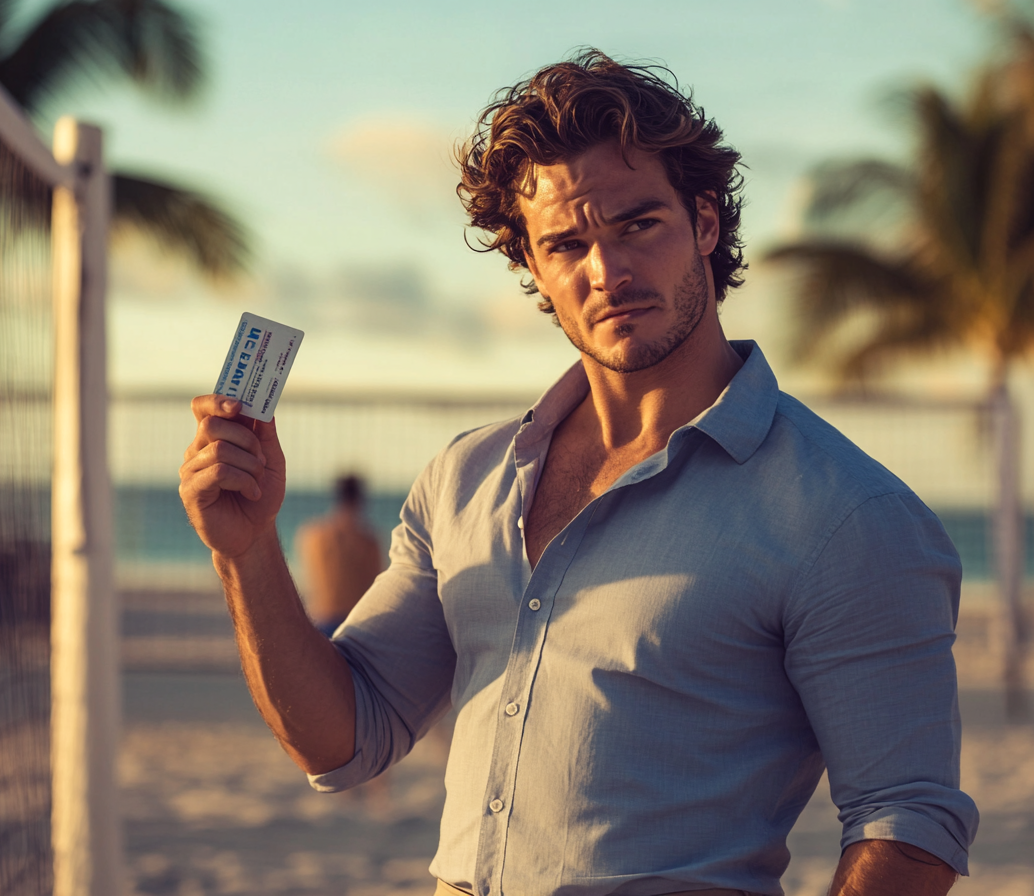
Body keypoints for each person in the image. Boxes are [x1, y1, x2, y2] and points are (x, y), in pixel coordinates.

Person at [179, 51, 977, 896]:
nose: (608, 274)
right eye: (566, 244)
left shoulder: (845, 514)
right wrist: (247, 549)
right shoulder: (466, 479)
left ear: (705, 223)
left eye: (639, 225)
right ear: (533, 268)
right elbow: (342, 740)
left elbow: (909, 823)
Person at [296, 474, 385, 637]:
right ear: (360, 498)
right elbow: (377, 587)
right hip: (357, 621)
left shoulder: (313, 535)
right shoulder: (368, 540)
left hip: (321, 617)